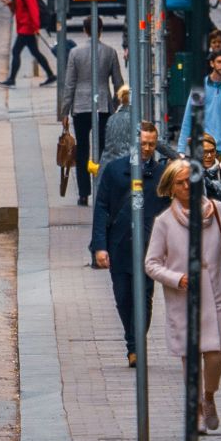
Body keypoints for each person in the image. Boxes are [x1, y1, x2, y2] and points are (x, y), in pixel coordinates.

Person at [144, 160, 221, 433]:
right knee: (190, 359)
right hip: (184, 300)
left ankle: (208, 397)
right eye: (180, 183)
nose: (186, 187)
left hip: (216, 295)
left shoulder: (216, 211)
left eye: (190, 181)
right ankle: (196, 412)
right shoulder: (164, 223)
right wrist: (177, 279)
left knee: (215, 357)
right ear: (171, 188)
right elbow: (151, 264)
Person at [93, 122, 168, 365]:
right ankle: (132, 339)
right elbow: (101, 208)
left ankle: (136, 346)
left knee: (144, 297)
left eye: (151, 144)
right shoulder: (115, 170)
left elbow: (169, 211)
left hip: (149, 248)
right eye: (143, 144)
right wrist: (100, 246)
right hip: (120, 246)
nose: (147, 148)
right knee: (124, 297)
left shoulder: (161, 175)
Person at [58, 18, 125, 205]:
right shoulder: (110, 52)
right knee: (104, 149)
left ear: (84, 30)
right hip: (103, 105)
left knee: (82, 150)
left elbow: (69, 84)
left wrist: (65, 112)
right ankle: (104, 188)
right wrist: (114, 104)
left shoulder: (75, 53)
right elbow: (118, 83)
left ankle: (83, 193)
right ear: (101, 30)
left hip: (80, 107)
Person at [0, 0, 55, 86]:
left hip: (27, 28)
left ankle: (12, 79)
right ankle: (51, 75)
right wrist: (9, 4)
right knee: (35, 53)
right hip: (24, 27)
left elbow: (34, 10)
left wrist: (35, 27)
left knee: (16, 51)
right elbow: (17, 9)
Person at [180, 49, 221, 143]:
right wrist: (181, 147)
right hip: (205, 144)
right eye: (219, 62)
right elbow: (188, 117)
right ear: (212, 63)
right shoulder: (200, 87)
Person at [99, 85, 136, 165]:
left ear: (121, 100)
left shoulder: (111, 119)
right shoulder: (135, 119)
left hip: (106, 165)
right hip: (125, 165)